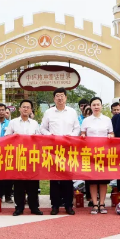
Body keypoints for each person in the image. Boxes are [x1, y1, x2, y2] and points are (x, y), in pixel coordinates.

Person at [41, 87, 80, 215]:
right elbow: (42, 129)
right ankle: (55, 205)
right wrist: (50, 136)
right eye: (57, 96)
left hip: (68, 149)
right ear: (54, 98)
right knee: (54, 178)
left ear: (66, 98)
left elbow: (77, 128)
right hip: (53, 150)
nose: (60, 98)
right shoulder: (49, 112)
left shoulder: (72, 112)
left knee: (68, 178)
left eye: (62, 95)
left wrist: (71, 136)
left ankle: (69, 205)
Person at [5, 100, 43, 216]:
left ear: (31, 110)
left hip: (32, 157)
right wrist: (14, 136)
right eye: (23, 107)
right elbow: (7, 137)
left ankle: (34, 207)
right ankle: (19, 208)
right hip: (18, 156)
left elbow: (40, 138)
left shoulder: (35, 123)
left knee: (33, 184)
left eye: (28, 107)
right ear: (19, 109)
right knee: (19, 184)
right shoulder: (13, 122)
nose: (26, 109)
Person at [80, 97, 114, 215]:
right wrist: (83, 136)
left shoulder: (107, 120)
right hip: (91, 154)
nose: (96, 107)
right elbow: (82, 133)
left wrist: (111, 136)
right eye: (94, 105)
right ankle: (95, 204)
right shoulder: (86, 120)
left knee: (103, 180)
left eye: (98, 104)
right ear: (90, 106)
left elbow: (111, 133)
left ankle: (102, 203)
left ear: (101, 106)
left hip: (104, 153)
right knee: (93, 180)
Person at [0, 103, 13, 202]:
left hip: (8, 152)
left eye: (3, 110)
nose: (1, 112)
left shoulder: (10, 123)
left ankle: (8, 195)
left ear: (6, 111)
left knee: (8, 175)